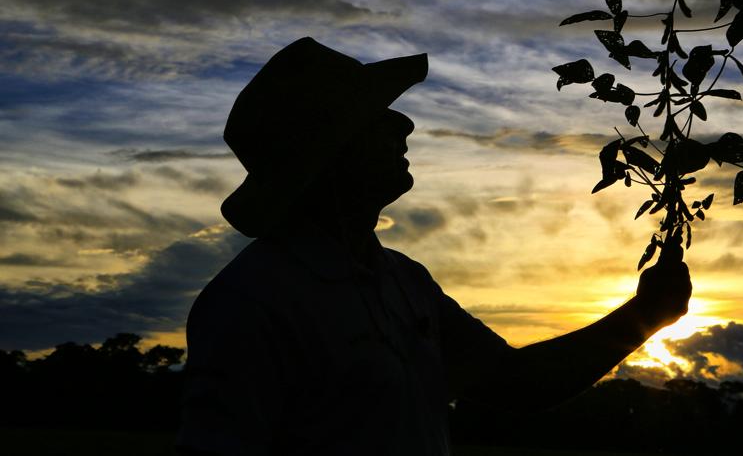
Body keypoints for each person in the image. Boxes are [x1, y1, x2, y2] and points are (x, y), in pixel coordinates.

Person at [176, 37, 692, 456]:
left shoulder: (403, 281)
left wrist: (648, 313)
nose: (404, 124)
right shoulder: (250, 304)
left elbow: (517, 384)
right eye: (375, 116)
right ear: (328, 155)